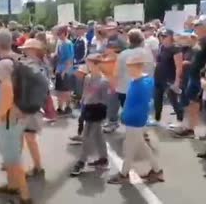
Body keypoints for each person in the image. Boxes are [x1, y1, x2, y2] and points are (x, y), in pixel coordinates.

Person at [108, 55, 164, 184]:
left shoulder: (141, 84)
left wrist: (126, 116)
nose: (128, 69)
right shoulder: (143, 81)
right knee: (141, 145)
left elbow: (140, 104)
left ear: (137, 67)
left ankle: (124, 173)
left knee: (130, 148)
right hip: (136, 119)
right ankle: (157, 170)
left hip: (135, 120)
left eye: (130, 67)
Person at [0, 47, 32, 204]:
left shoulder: (6, 83)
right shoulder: (15, 81)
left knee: (14, 160)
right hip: (13, 123)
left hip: (8, 124)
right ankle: (13, 186)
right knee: (11, 159)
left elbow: (6, 103)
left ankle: (25, 196)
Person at [70, 54, 109, 176]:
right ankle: (103, 158)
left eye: (90, 63)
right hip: (87, 108)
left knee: (87, 136)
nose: (88, 66)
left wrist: (99, 109)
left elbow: (105, 100)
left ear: (97, 64)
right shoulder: (87, 77)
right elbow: (85, 94)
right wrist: (83, 105)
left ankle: (81, 161)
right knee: (98, 136)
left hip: (97, 110)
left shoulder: (103, 81)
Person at [18, 39, 47, 178]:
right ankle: (36, 166)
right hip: (31, 106)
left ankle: (38, 167)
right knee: (26, 136)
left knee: (29, 137)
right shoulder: (38, 65)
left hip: (30, 107)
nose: (23, 51)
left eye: (26, 49)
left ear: (33, 50)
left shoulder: (34, 67)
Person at [153, 29, 183, 126]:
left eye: (165, 36)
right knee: (157, 99)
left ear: (171, 37)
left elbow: (179, 66)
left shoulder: (176, 49)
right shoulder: (161, 47)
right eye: (161, 36)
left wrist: (177, 81)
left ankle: (180, 120)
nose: (163, 38)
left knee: (173, 100)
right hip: (158, 77)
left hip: (169, 78)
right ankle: (157, 119)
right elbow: (158, 61)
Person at [54, 25, 74, 115]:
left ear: (65, 33)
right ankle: (59, 107)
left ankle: (68, 107)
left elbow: (70, 59)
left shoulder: (68, 43)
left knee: (66, 91)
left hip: (66, 70)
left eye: (60, 34)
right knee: (59, 90)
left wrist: (65, 71)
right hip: (60, 68)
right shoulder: (60, 43)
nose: (59, 36)